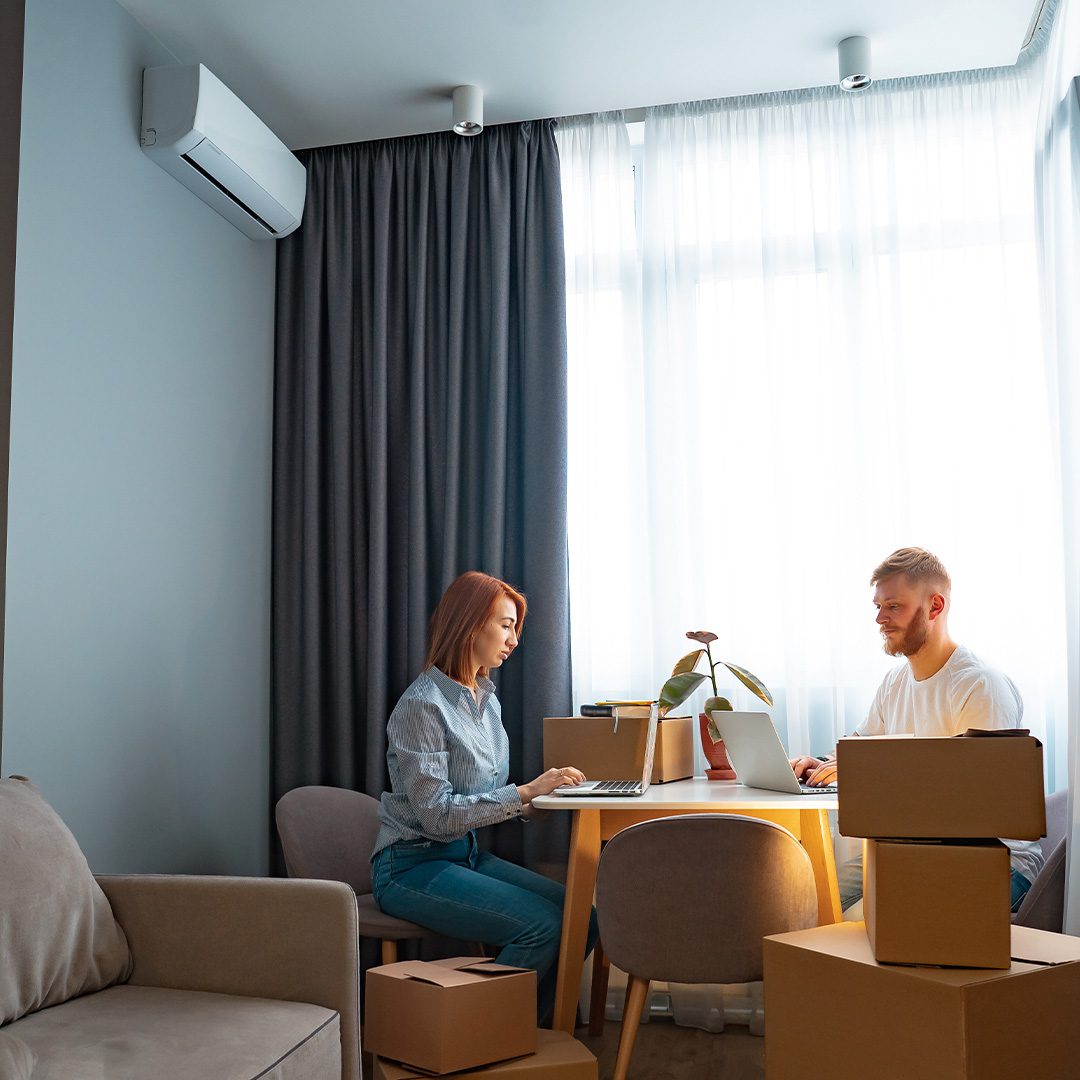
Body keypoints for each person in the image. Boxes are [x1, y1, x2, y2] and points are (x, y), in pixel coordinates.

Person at [370, 570, 599, 1025]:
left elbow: (486, 797)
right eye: (506, 624)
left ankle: (534, 1035)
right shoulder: (422, 705)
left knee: (583, 920)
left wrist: (542, 799)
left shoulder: (486, 701)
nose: (514, 639)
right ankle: (480, 1034)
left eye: (515, 627)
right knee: (543, 926)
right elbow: (436, 816)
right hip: (410, 866)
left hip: (463, 856)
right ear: (471, 624)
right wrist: (525, 792)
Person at [790, 547, 1043, 912]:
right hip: (910, 845)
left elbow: (982, 803)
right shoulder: (894, 683)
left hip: (995, 859)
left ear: (935, 607)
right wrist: (820, 765)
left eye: (893, 606)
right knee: (811, 898)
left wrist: (871, 773)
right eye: (878, 606)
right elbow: (858, 749)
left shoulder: (980, 685)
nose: (880, 618)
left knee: (878, 916)